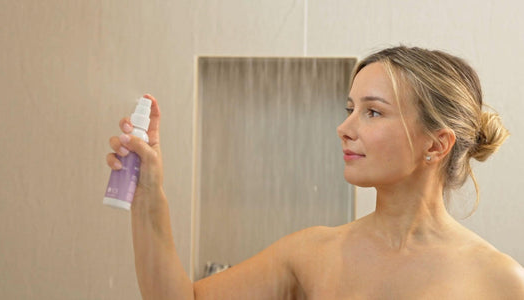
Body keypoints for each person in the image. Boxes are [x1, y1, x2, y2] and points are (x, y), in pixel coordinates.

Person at [106, 46, 524, 299]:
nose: (345, 127)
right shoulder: (312, 254)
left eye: (373, 112)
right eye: (350, 109)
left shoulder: (501, 281)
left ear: (436, 144)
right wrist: (150, 192)